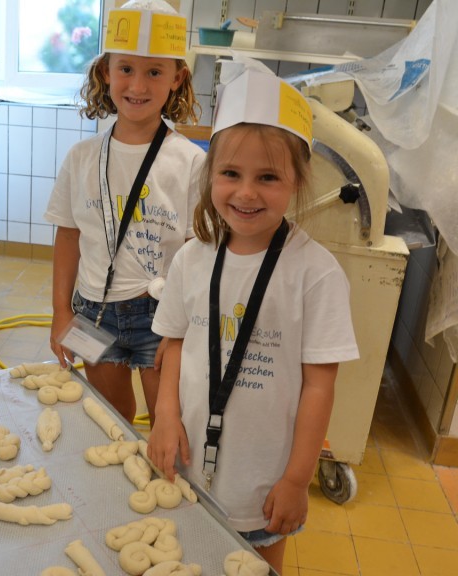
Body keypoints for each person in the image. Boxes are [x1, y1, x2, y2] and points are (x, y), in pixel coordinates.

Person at [147, 63, 360, 573]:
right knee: (188, 554)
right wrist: (164, 415)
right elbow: (173, 343)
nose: (246, 193)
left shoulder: (315, 274)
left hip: (264, 474)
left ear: (298, 181)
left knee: (258, 564)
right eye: (231, 174)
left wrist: (296, 479)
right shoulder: (192, 258)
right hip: (190, 456)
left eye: (268, 177)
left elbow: (318, 386)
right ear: (210, 175)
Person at [44, 0, 205, 426]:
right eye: (126, 68)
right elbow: (68, 235)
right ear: (105, 73)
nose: (138, 84)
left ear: (177, 78)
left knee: (167, 420)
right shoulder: (81, 157)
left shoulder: (190, 162)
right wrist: (61, 311)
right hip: (94, 310)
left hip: (161, 317)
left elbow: (196, 253)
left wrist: (186, 327)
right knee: (111, 419)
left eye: (154, 72)